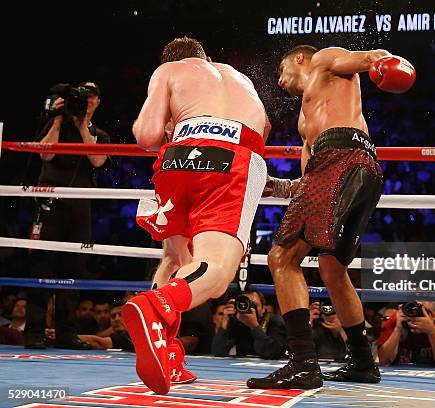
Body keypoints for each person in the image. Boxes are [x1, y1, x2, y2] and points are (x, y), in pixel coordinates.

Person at [248, 45, 415, 389]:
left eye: (281, 70)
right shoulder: (305, 119)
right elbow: (307, 184)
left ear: (299, 59)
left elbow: (371, 56)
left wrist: (388, 63)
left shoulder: (325, 61)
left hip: (341, 158)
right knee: (332, 268)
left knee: (282, 257)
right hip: (358, 169)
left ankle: (302, 364)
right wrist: (277, 186)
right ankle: (362, 361)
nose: (279, 82)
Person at [124, 36, 270, 395]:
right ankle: (155, 306)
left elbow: (146, 135)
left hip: (177, 159)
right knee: (217, 272)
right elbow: (263, 130)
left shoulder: (168, 71)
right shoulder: (239, 78)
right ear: (207, 57)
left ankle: (169, 353)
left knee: (176, 257)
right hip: (233, 158)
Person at [25, 81, 109, 350]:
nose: (86, 100)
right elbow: (46, 156)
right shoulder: (53, 126)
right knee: (40, 268)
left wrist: (83, 125)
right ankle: (34, 332)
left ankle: (66, 334)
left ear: (97, 102)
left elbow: (97, 160)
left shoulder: (99, 134)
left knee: (73, 270)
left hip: (79, 210)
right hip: (48, 206)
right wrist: (58, 119)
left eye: (90, 96)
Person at [378, 301, 435, 367]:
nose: (416, 316)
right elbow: (383, 360)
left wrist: (432, 331)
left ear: (434, 315)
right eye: (412, 309)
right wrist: (398, 329)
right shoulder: (398, 319)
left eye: (422, 312)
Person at [211, 291, 286, 359]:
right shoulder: (237, 320)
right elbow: (218, 352)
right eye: (245, 304)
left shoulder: (274, 321)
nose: (249, 308)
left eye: (254, 305)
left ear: (263, 308)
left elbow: (272, 353)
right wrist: (225, 322)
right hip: (242, 369)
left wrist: (254, 326)